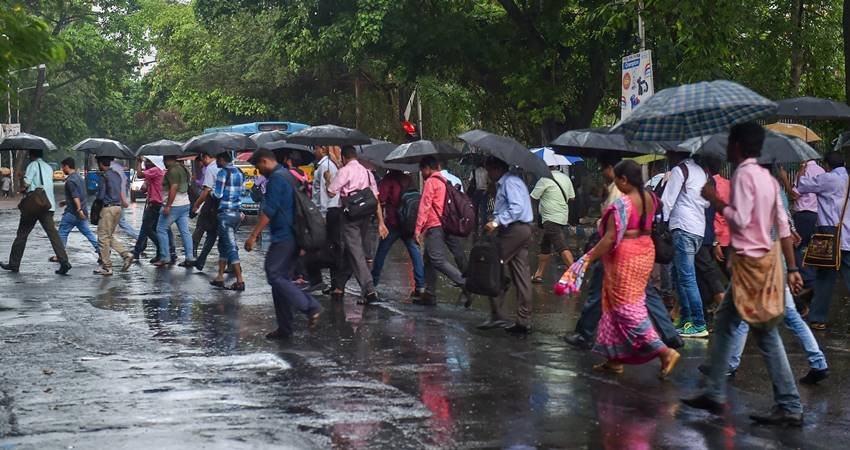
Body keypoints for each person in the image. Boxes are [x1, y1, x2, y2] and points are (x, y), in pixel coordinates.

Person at [683, 122, 804, 427]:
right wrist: (792, 267)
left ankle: (789, 404)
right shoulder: (767, 179)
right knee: (725, 324)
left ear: (736, 146)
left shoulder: (744, 176)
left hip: (751, 265)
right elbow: (784, 226)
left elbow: (741, 220)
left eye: (728, 143)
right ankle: (714, 391)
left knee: (764, 333)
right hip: (766, 262)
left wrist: (715, 200)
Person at [568, 160, 680, 377]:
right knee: (612, 304)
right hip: (645, 251)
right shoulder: (651, 198)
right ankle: (614, 358)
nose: (616, 184)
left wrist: (587, 258)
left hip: (625, 255)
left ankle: (664, 352)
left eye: (618, 180)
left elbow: (610, 237)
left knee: (626, 309)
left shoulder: (624, 204)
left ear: (624, 180)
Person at [245, 149, 321, 340]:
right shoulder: (287, 175)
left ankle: (310, 306)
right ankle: (285, 327)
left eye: (258, 167)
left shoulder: (277, 179)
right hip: (293, 235)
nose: (259, 171)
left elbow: (269, 211)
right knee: (281, 280)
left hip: (284, 236)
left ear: (264, 161)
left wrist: (253, 236)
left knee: (274, 274)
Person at [327, 145, 388, 305]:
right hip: (366, 215)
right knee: (352, 250)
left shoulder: (344, 171)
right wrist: (381, 222)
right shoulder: (367, 172)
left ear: (344, 157)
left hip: (350, 216)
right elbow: (375, 199)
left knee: (355, 252)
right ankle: (339, 285)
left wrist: (328, 179)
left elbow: (331, 191)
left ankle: (369, 290)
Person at [479, 156, 534, 334]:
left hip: (514, 231)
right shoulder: (509, 182)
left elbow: (516, 208)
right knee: (521, 274)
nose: (488, 174)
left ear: (496, 168)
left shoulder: (509, 182)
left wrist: (497, 222)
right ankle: (523, 319)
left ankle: (498, 314)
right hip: (520, 230)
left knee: (491, 266)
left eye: (489, 170)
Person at [795, 152, 848, 330]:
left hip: (828, 233)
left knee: (825, 276)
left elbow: (801, 187)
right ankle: (817, 316)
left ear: (826, 165)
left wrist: (801, 171)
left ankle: (818, 318)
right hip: (848, 235)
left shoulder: (828, 179)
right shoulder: (847, 179)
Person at [661, 150, 709, 338]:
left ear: (675, 153)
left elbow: (667, 201)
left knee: (687, 278)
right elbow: (705, 203)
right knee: (681, 276)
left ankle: (698, 322)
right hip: (697, 229)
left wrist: (660, 223)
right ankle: (686, 320)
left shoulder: (680, 171)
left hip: (683, 227)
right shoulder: (700, 171)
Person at [1, 149, 71, 275]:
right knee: (53, 235)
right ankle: (64, 261)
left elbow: (26, 184)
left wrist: (21, 179)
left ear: (31, 155)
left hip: (34, 206)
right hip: (48, 205)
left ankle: (14, 263)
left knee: (22, 234)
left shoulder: (32, 165)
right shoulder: (49, 168)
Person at [414, 157, 467, 306]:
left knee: (436, 259)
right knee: (429, 259)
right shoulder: (445, 181)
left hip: (435, 225)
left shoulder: (431, 182)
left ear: (428, 168)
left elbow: (424, 207)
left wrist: (417, 229)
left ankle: (465, 283)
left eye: (422, 170)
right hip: (446, 224)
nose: (422, 173)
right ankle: (430, 294)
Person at [371, 169, 426, 297]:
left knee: (381, 252)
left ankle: (373, 283)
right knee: (415, 253)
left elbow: (381, 199)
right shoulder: (408, 179)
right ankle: (420, 285)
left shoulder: (388, 179)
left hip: (393, 223)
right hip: (408, 223)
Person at [780, 159, 823, 295]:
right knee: (810, 248)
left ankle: (807, 281)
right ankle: (812, 279)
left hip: (804, 214)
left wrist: (785, 179)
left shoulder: (804, 171)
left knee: (795, 246)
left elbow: (794, 195)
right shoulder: (822, 171)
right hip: (817, 215)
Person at [694, 155, 727, 317]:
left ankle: (725, 306)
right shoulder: (718, 183)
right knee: (702, 273)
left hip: (701, 233)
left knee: (707, 272)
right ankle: (706, 310)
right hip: (713, 235)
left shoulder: (703, 184)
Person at [530, 165, 575, 283]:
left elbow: (533, 197)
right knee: (545, 245)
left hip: (550, 218)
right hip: (562, 217)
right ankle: (538, 274)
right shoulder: (566, 178)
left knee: (561, 246)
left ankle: (575, 273)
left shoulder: (544, 179)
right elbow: (572, 198)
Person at [209, 151, 245, 291]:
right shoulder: (239, 172)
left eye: (217, 159)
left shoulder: (223, 173)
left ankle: (240, 280)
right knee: (223, 244)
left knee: (230, 246)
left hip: (225, 215)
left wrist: (210, 192)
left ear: (222, 159)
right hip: (236, 214)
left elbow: (217, 194)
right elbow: (241, 192)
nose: (216, 162)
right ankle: (219, 277)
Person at [93, 157, 133, 276]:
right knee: (109, 236)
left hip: (108, 209)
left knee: (103, 238)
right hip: (118, 208)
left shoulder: (104, 176)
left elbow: (100, 196)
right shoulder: (117, 175)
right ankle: (126, 255)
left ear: (100, 163)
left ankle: (107, 267)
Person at [132, 156, 175, 264]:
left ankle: (162, 248)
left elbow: (139, 175)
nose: (145, 164)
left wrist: (138, 162)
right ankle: (167, 251)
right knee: (160, 229)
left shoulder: (155, 171)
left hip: (155, 204)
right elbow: (144, 188)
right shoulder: (158, 172)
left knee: (148, 229)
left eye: (147, 162)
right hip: (158, 203)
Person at [55, 158, 99, 261]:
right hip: (82, 212)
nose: (62, 169)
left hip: (73, 212)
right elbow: (79, 195)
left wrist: (78, 210)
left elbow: (76, 196)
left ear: (66, 166)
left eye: (62, 167)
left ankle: (60, 255)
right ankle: (101, 250)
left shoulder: (70, 180)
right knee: (88, 233)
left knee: (62, 232)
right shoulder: (80, 178)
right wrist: (66, 202)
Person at [155, 155, 195, 268]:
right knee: (185, 232)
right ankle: (189, 257)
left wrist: (168, 206)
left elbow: (173, 188)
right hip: (185, 203)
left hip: (174, 205)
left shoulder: (172, 170)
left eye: (164, 159)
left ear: (168, 159)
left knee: (161, 229)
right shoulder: (183, 168)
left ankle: (164, 257)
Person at [191, 152, 220, 271]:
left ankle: (196, 257)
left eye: (202, 160)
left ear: (205, 157)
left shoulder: (211, 169)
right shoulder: (231, 169)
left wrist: (196, 205)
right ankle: (200, 260)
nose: (201, 164)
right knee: (213, 234)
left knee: (207, 231)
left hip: (212, 204)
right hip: (222, 206)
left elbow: (206, 191)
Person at [110, 160, 139, 241]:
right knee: (115, 224)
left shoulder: (119, 176)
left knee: (122, 223)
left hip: (117, 203)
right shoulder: (121, 175)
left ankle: (138, 237)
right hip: (117, 203)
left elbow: (121, 190)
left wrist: (123, 201)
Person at [468, 162, 489, 233]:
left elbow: (470, 181)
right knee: (483, 210)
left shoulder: (473, 171)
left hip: (476, 192)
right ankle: (484, 228)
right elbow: (489, 182)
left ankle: (475, 227)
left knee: (475, 210)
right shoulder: (486, 171)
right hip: (484, 192)